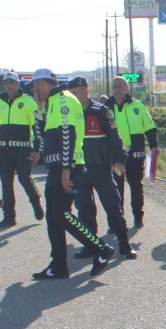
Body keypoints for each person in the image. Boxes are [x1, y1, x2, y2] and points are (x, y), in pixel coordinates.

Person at [29, 69, 115, 279]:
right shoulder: (52, 102)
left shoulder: (62, 100)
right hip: (57, 166)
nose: (33, 90)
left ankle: (99, 248)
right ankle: (58, 265)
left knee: (62, 215)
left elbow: (67, 134)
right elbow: (47, 135)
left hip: (67, 166)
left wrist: (66, 169)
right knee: (53, 217)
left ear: (42, 83)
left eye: (35, 85)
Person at [67, 77, 136, 260]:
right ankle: (91, 245)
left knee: (112, 207)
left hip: (101, 168)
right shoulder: (68, 114)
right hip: (79, 169)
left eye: (76, 92)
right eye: (70, 93)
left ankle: (124, 244)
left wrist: (120, 160)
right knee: (84, 209)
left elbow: (116, 138)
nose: (73, 97)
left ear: (86, 90)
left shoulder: (101, 112)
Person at [0, 71, 43, 228]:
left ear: (17, 84)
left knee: (25, 179)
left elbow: (36, 126)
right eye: (6, 82)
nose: (8, 85)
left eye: (11, 82)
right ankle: (9, 217)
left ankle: (36, 204)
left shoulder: (28, 101)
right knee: (6, 184)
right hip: (4, 150)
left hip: (22, 150)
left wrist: (36, 149)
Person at [107, 76, 159, 229]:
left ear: (127, 88)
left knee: (136, 186)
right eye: (115, 86)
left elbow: (149, 127)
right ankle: (117, 221)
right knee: (117, 187)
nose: (118, 89)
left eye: (121, 86)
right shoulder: (106, 108)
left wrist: (154, 146)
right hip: (117, 156)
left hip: (135, 155)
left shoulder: (137, 106)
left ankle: (138, 217)